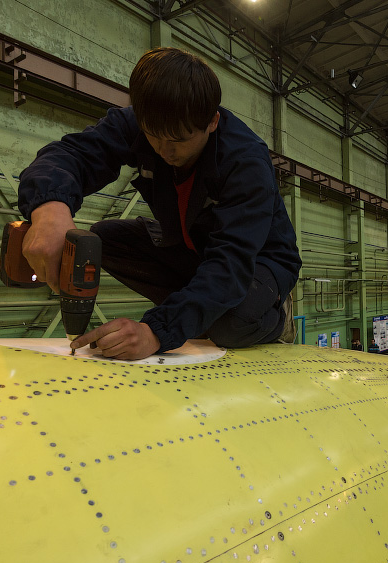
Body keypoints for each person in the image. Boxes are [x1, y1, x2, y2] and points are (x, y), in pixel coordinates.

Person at [18, 48, 302, 360]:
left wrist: (156, 330)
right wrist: (49, 208)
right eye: (153, 137)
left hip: (257, 260)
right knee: (104, 239)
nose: (164, 150)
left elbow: (230, 263)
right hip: (192, 247)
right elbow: (72, 154)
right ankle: (199, 305)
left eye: (178, 140)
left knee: (229, 325)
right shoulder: (140, 124)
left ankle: (274, 314)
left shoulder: (246, 161)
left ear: (212, 121)